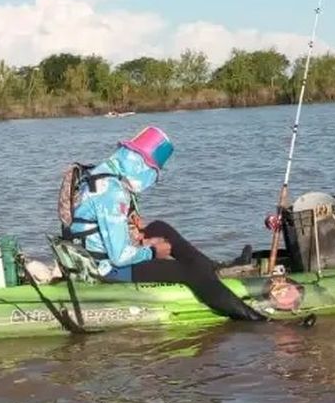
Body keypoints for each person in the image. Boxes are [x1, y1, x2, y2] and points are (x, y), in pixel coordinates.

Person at [66, 126, 267, 321]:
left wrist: (139, 237)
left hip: (92, 254)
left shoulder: (99, 173)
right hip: (105, 269)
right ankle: (251, 317)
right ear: (141, 163)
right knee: (188, 271)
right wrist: (153, 251)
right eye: (153, 170)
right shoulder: (113, 192)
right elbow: (119, 257)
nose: (153, 177)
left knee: (158, 227)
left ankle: (214, 268)